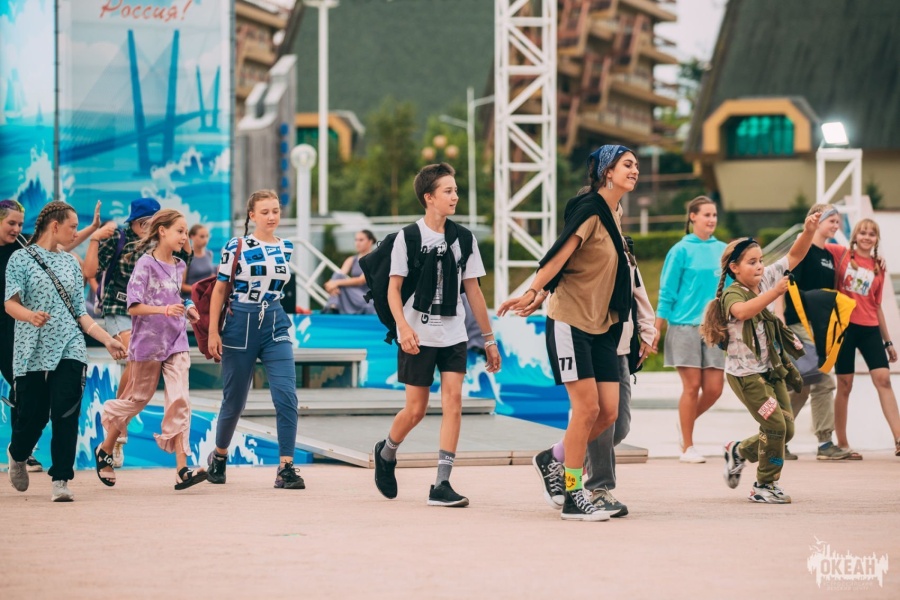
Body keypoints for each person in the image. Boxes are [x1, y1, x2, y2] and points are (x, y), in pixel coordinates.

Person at [499, 145, 639, 521]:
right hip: (570, 321)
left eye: (636, 165)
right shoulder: (590, 209)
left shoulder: (614, 213)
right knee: (587, 408)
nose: (635, 170)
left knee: (608, 413)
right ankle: (574, 494)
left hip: (604, 324)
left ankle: (553, 457)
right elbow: (559, 254)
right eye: (627, 164)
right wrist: (534, 290)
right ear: (607, 171)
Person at [372, 163, 499, 507]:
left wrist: (488, 339)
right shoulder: (408, 237)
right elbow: (393, 289)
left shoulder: (464, 239)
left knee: (453, 402)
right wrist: (403, 327)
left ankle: (442, 483)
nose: (455, 196)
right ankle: (386, 452)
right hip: (417, 334)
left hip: (454, 333)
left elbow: (473, 291)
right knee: (416, 410)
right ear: (429, 197)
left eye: (456, 190)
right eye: (448, 191)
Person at [5, 202, 126, 502]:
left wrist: (107, 340)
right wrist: (30, 316)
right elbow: (10, 303)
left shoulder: (71, 263)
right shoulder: (20, 258)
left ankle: (61, 478)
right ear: (55, 226)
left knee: (66, 413)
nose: (75, 233)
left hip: (70, 345)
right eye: (73, 227)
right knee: (33, 416)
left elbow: (80, 314)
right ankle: (18, 453)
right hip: (31, 348)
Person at [529, 234, 656, 517]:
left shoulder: (624, 248)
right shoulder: (583, 244)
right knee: (591, 415)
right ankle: (595, 489)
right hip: (592, 337)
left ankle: (556, 458)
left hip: (619, 346)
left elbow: (637, 291)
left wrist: (647, 330)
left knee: (617, 424)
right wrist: (535, 292)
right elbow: (556, 275)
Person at [701, 212, 820, 504]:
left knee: (786, 430)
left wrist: (808, 231)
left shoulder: (766, 278)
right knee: (775, 427)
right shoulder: (733, 294)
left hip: (771, 370)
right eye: (751, 262)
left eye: (760, 260)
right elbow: (743, 312)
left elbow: (795, 255)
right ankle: (763, 485)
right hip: (747, 377)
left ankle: (739, 451)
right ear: (734, 268)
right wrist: (775, 293)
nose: (759, 266)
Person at [95, 209, 207, 490]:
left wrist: (188, 308)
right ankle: (105, 449)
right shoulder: (144, 264)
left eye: (185, 232)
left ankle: (182, 468)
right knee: (137, 400)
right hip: (147, 343)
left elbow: (176, 296)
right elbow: (133, 307)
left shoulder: (179, 265)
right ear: (162, 231)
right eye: (180, 231)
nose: (184, 237)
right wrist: (164, 310)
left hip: (176, 341)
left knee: (180, 399)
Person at [206, 190, 305, 489]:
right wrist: (213, 332)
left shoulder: (286, 247)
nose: (272, 217)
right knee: (234, 400)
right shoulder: (236, 245)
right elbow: (220, 290)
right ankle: (219, 456)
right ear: (252, 215)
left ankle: (286, 467)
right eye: (265, 212)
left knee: (286, 395)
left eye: (275, 210)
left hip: (275, 321)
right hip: (240, 323)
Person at [83, 197, 163, 468]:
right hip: (118, 307)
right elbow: (90, 271)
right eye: (148, 223)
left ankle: (116, 422)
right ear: (137, 222)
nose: (152, 228)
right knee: (134, 356)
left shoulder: (159, 242)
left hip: (145, 311)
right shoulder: (118, 238)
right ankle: (119, 425)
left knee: (144, 366)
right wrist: (95, 239)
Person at [654, 196, 727, 464]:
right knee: (692, 385)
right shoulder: (680, 251)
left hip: (714, 328)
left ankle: (685, 423)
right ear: (692, 217)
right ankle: (687, 446)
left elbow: (732, 290)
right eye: (706, 214)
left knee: (715, 389)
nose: (711, 219)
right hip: (683, 326)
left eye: (714, 215)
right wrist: (656, 330)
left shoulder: (724, 250)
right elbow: (667, 292)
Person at [778, 204, 850, 460]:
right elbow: (783, 282)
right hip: (798, 324)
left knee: (802, 386)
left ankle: (777, 438)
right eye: (832, 220)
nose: (836, 225)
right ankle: (825, 443)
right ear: (817, 220)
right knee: (822, 380)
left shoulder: (828, 255)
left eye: (838, 221)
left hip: (819, 327)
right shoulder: (803, 248)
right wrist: (780, 320)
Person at [828, 218, 900, 458]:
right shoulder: (840, 255)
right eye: (863, 233)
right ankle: (842, 444)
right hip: (844, 328)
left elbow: (877, 306)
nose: (867, 237)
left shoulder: (879, 266)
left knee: (884, 379)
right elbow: (811, 242)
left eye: (872, 234)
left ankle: (899, 439)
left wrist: (888, 342)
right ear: (855, 236)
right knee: (845, 384)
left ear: (876, 239)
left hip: (870, 329)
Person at [321, 229, 377, 315]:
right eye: (356, 240)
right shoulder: (351, 259)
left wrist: (334, 283)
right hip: (352, 295)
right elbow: (340, 275)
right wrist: (332, 284)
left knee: (340, 283)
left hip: (366, 298)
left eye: (361, 240)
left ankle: (333, 305)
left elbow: (361, 281)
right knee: (338, 275)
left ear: (370, 242)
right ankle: (333, 305)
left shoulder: (374, 259)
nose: (357, 243)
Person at [181, 224, 217, 300]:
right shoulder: (186, 257)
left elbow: (209, 276)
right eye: (202, 236)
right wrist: (199, 289)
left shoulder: (209, 254)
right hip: (191, 300)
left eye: (207, 236)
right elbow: (181, 286)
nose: (205, 240)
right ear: (192, 236)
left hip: (206, 299)